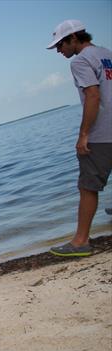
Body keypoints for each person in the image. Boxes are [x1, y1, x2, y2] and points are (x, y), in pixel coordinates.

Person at [46, 20, 112, 257]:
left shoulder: (81, 61)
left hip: (102, 133)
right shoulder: (106, 54)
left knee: (87, 187)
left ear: (74, 38)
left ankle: (80, 241)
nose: (58, 50)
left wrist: (84, 134)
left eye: (60, 44)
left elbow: (93, 96)